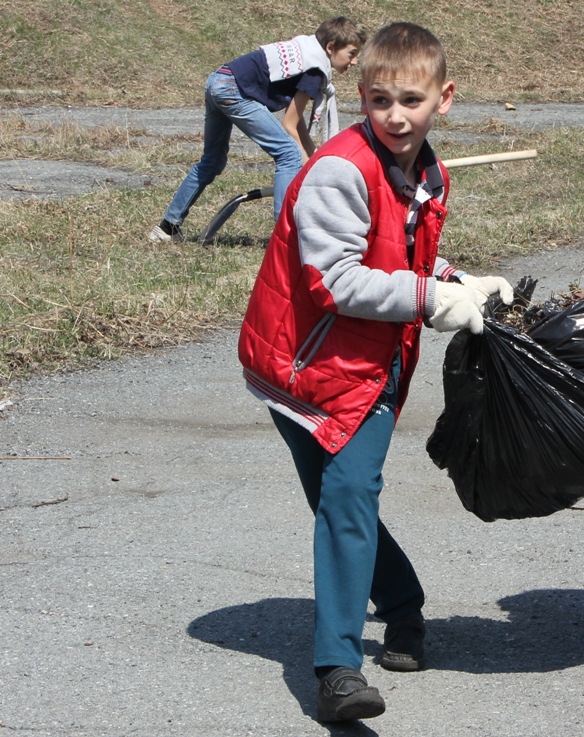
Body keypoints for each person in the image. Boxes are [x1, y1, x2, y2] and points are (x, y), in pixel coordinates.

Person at [237, 22, 513, 722]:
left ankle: (336, 668)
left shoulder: (430, 173)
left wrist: (458, 279)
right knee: (341, 503)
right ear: (359, 95)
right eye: (380, 99)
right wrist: (431, 298)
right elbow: (339, 280)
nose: (395, 115)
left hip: (366, 372)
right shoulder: (338, 169)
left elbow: (405, 259)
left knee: (347, 496)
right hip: (296, 366)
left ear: (443, 100)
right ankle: (402, 604)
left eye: (412, 100)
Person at [148, 16, 365, 243]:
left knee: (212, 161)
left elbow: (295, 117)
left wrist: (314, 156)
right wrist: (307, 160)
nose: (354, 61)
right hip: (232, 90)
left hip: (218, 79)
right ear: (331, 47)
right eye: (351, 53)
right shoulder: (315, 70)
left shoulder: (307, 52)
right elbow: (289, 124)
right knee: (289, 153)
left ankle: (167, 228)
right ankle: (285, 239)